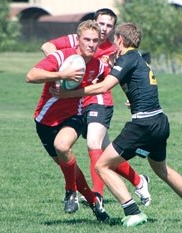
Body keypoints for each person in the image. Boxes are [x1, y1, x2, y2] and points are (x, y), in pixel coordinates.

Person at [50, 22, 182, 227]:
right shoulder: (138, 59)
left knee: (102, 165)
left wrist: (68, 94)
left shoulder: (128, 58)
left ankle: (132, 211)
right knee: (161, 169)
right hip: (159, 121)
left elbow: (104, 87)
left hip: (144, 124)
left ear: (120, 40)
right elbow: (141, 84)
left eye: (114, 39)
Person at [42, 8, 151, 207]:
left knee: (94, 144)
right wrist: (62, 67)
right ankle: (139, 180)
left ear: (113, 30)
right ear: (94, 22)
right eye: (101, 23)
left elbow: (137, 70)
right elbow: (47, 46)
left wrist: (136, 97)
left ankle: (97, 196)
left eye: (109, 26)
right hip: (76, 103)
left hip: (98, 100)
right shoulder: (80, 39)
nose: (104, 29)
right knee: (105, 151)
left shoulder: (113, 49)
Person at [26, 20, 111, 222]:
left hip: (74, 116)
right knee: (70, 167)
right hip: (44, 121)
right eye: (87, 40)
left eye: (95, 41)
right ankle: (94, 204)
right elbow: (31, 76)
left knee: (62, 147)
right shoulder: (61, 57)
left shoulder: (98, 65)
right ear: (78, 40)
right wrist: (62, 74)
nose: (91, 44)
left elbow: (110, 81)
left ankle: (69, 190)